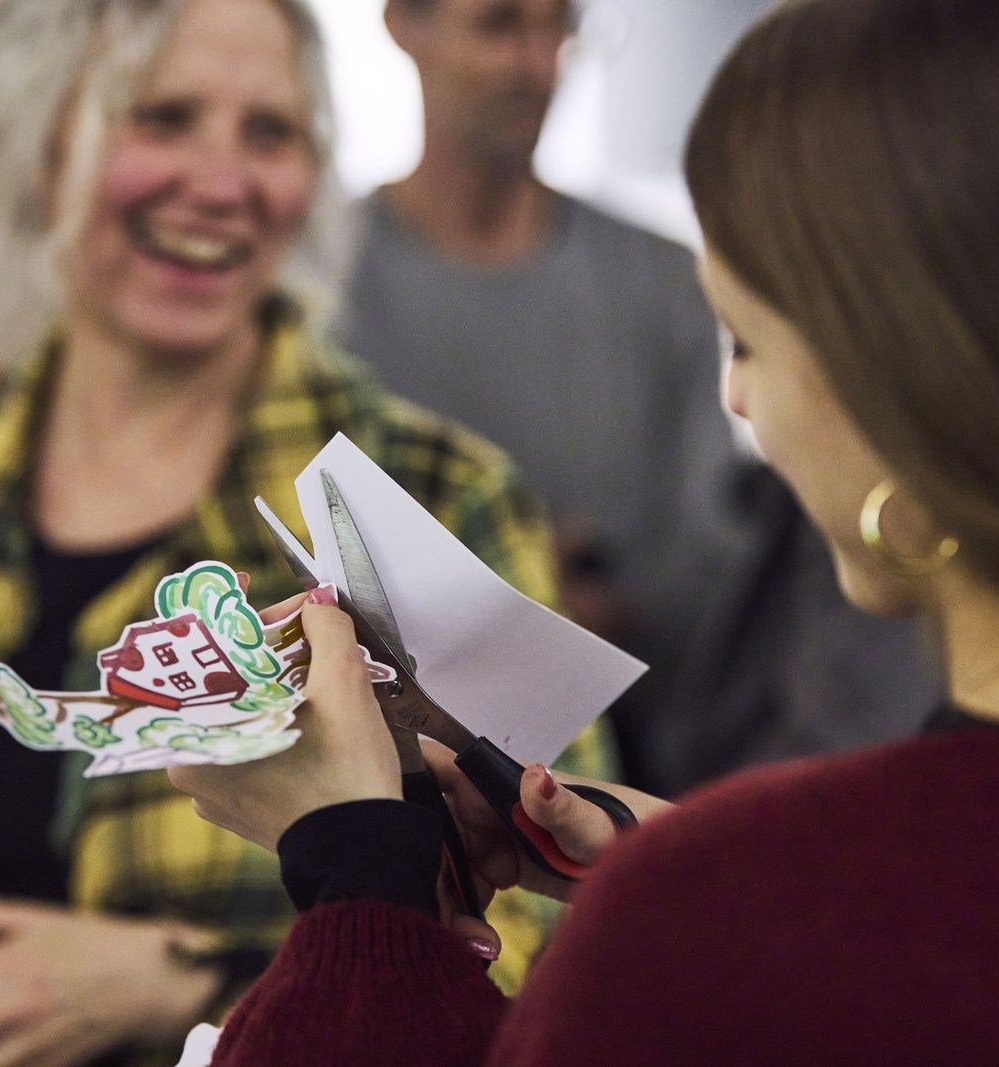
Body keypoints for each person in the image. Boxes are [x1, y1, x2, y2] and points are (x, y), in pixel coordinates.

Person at [169, 0, 999, 1062]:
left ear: (906, 396)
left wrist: (359, 871)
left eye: (746, 339)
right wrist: (713, 865)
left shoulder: (715, 932)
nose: (739, 399)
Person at [0, 0, 603, 1064]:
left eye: (269, 132)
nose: (222, 182)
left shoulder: (435, 497)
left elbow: (554, 941)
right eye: (162, 117)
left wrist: (189, 986)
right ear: (38, 145)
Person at [339, 0, 940, 794]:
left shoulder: (658, 278)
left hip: (640, 756)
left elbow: (704, 553)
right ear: (403, 25)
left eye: (558, 28)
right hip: (383, 759)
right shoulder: (322, 279)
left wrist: (536, 608)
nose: (536, 64)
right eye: (499, 25)